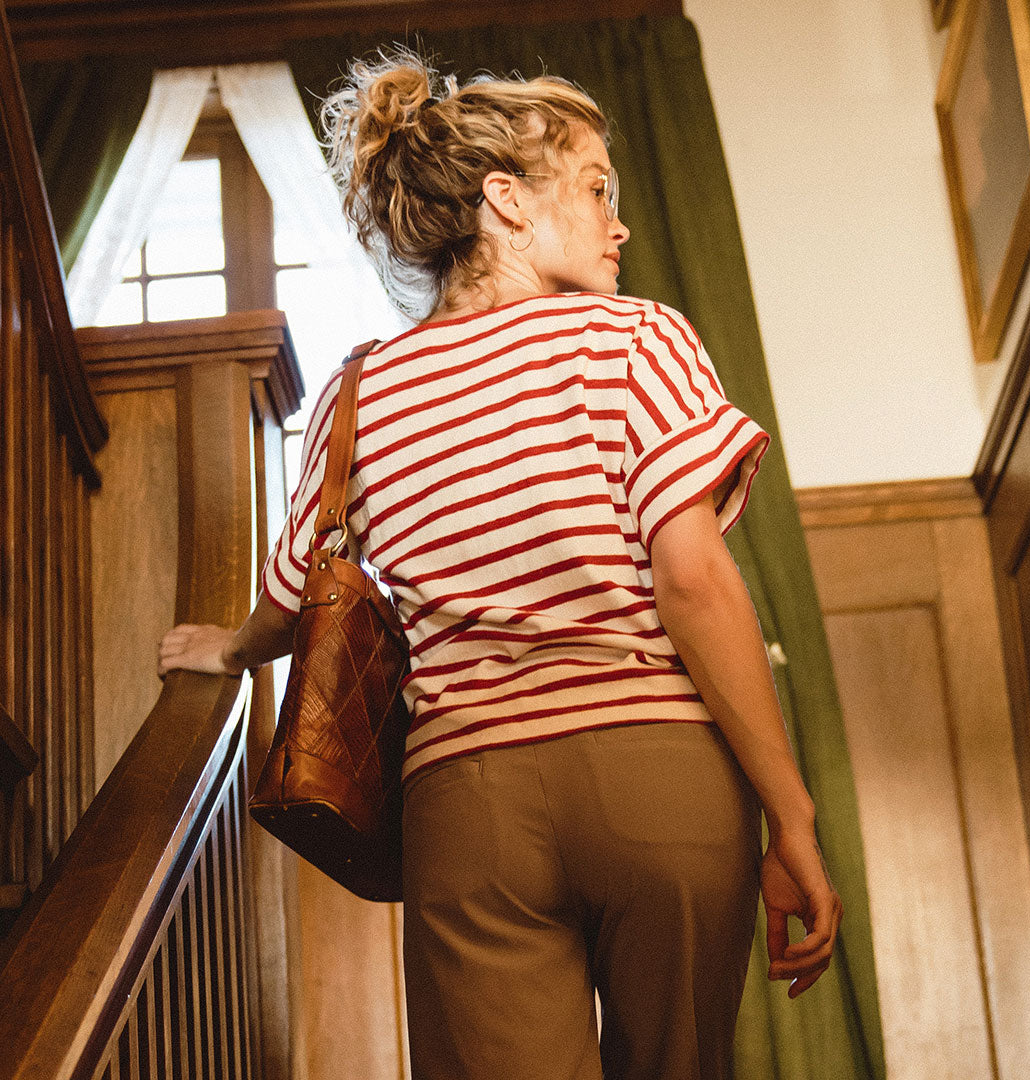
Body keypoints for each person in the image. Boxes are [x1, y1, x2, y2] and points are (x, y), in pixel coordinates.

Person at [159, 50, 841, 1080]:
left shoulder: (358, 395)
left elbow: (293, 601)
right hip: (664, 781)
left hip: (468, 808)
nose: (620, 224)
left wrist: (227, 651)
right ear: (507, 202)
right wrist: (792, 815)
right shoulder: (635, 340)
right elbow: (694, 582)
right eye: (598, 189)